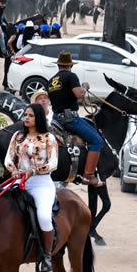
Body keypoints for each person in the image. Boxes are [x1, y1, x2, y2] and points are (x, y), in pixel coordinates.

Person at [4, 103, 58, 272]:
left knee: (43, 216)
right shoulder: (17, 136)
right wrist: (13, 170)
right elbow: (8, 158)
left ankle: (47, 256)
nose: (26, 118)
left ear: (39, 118)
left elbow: (53, 163)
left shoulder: (49, 138)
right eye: (26, 115)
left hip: (41, 183)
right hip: (18, 181)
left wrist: (33, 171)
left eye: (31, 115)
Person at [47, 51, 103, 186]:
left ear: (59, 65)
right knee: (97, 140)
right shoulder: (71, 76)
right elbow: (79, 94)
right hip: (70, 118)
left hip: (56, 117)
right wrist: (84, 87)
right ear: (70, 65)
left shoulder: (51, 81)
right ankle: (88, 175)